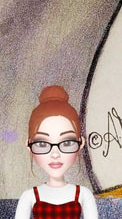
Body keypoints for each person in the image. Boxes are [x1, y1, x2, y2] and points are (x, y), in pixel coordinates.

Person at [14, 85, 98, 219]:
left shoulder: (84, 194)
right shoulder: (29, 196)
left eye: (67, 143)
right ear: (29, 145)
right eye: (42, 144)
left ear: (81, 143)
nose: (55, 154)